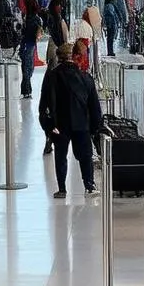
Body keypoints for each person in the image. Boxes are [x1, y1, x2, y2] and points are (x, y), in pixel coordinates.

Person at [39, 44, 104, 199]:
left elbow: (44, 104)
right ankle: (89, 185)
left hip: (59, 124)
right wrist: (96, 128)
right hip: (82, 123)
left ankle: (62, 188)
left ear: (59, 57)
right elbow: (94, 106)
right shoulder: (85, 77)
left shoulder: (51, 76)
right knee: (85, 155)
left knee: (60, 155)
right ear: (75, 56)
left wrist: (48, 127)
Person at [19, 3, 42, 101]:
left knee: (26, 66)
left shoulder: (26, 19)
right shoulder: (36, 19)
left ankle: (26, 89)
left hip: (25, 44)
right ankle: (26, 89)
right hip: (31, 44)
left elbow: (22, 31)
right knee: (29, 66)